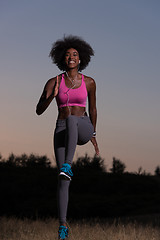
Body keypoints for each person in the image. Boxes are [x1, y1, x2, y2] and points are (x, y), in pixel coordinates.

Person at [36, 35, 99, 240]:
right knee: (63, 182)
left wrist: (94, 134)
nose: (71, 57)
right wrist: (52, 96)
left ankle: (68, 165)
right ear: (62, 59)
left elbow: (93, 108)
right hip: (61, 128)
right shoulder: (54, 81)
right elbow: (39, 110)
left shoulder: (89, 82)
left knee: (73, 120)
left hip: (83, 127)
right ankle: (63, 227)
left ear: (80, 59)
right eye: (67, 54)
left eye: (75, 54)